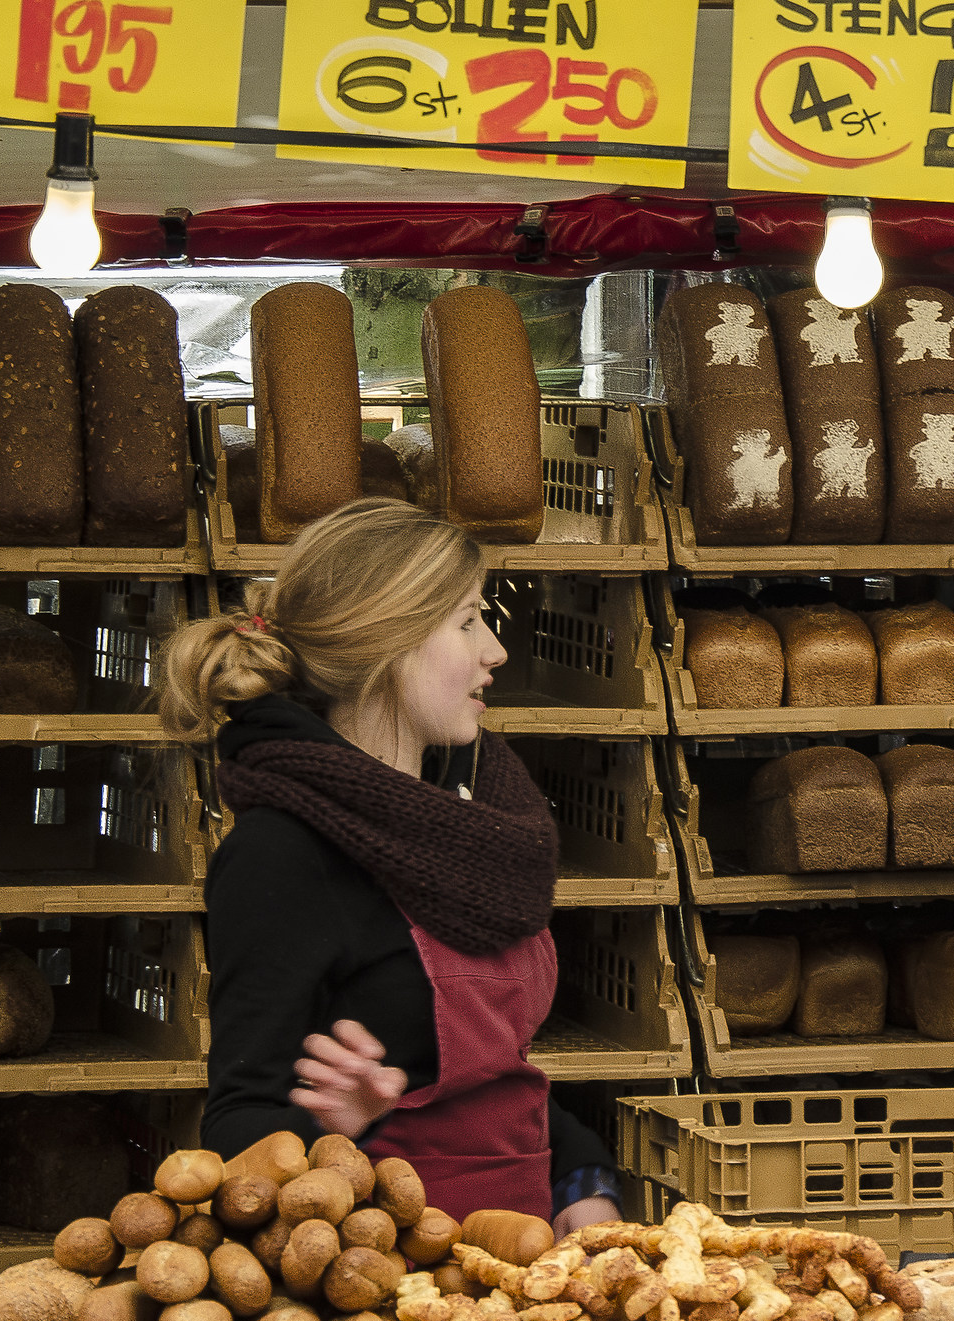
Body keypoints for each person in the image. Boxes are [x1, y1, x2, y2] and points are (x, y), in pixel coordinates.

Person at [161, 497, 623, 1232]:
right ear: (389, 641)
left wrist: (581, 1178)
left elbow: (496, 1078)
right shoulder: (282, 851)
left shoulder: (474, 819)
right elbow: (237, 1130)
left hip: (524, 1277)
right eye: (468, 620)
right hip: (380, 1282)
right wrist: (338, 1129)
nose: (495, 650)